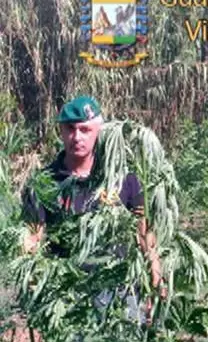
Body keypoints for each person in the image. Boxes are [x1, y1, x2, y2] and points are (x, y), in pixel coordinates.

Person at [20, 96, 165, 324]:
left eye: (85, 130)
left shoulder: (123, 178)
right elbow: (33, 237)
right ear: (61, 131)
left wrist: (155, 270)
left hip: (121, 291)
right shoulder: (43, 183)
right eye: (70, 129)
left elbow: (143, 231)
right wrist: (33, 280)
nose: (77, 137)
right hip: (69, 295)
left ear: (99, 131)